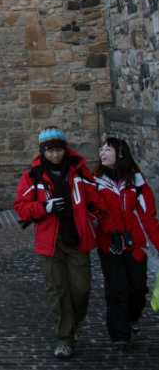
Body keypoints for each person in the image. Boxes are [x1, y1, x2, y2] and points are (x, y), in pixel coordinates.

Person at [14, 127, 96, 358]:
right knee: (57, 291)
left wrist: (92, 219)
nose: (55, 155)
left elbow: (95, 198)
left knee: (81, 289)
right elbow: (21, 207)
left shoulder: (78, 171)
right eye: (49, 150)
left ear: (65, 148)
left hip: (77, 238)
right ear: (43, 151)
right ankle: (64, 337)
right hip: (50, 242)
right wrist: (44, 207)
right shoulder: (34, 175)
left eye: (58, 149)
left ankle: (74, 326)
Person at [92, 135, 159, 350]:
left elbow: (148, 215)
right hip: (109, 244)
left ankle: (131, 318)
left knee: (138, 288)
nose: (102, 153)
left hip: (135, 243)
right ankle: (119, 334)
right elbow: (92, 213)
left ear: (120, 153)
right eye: (101, 150)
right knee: (117, 288)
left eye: (107, 149)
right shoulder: (95, 182)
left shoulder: (136, 181)